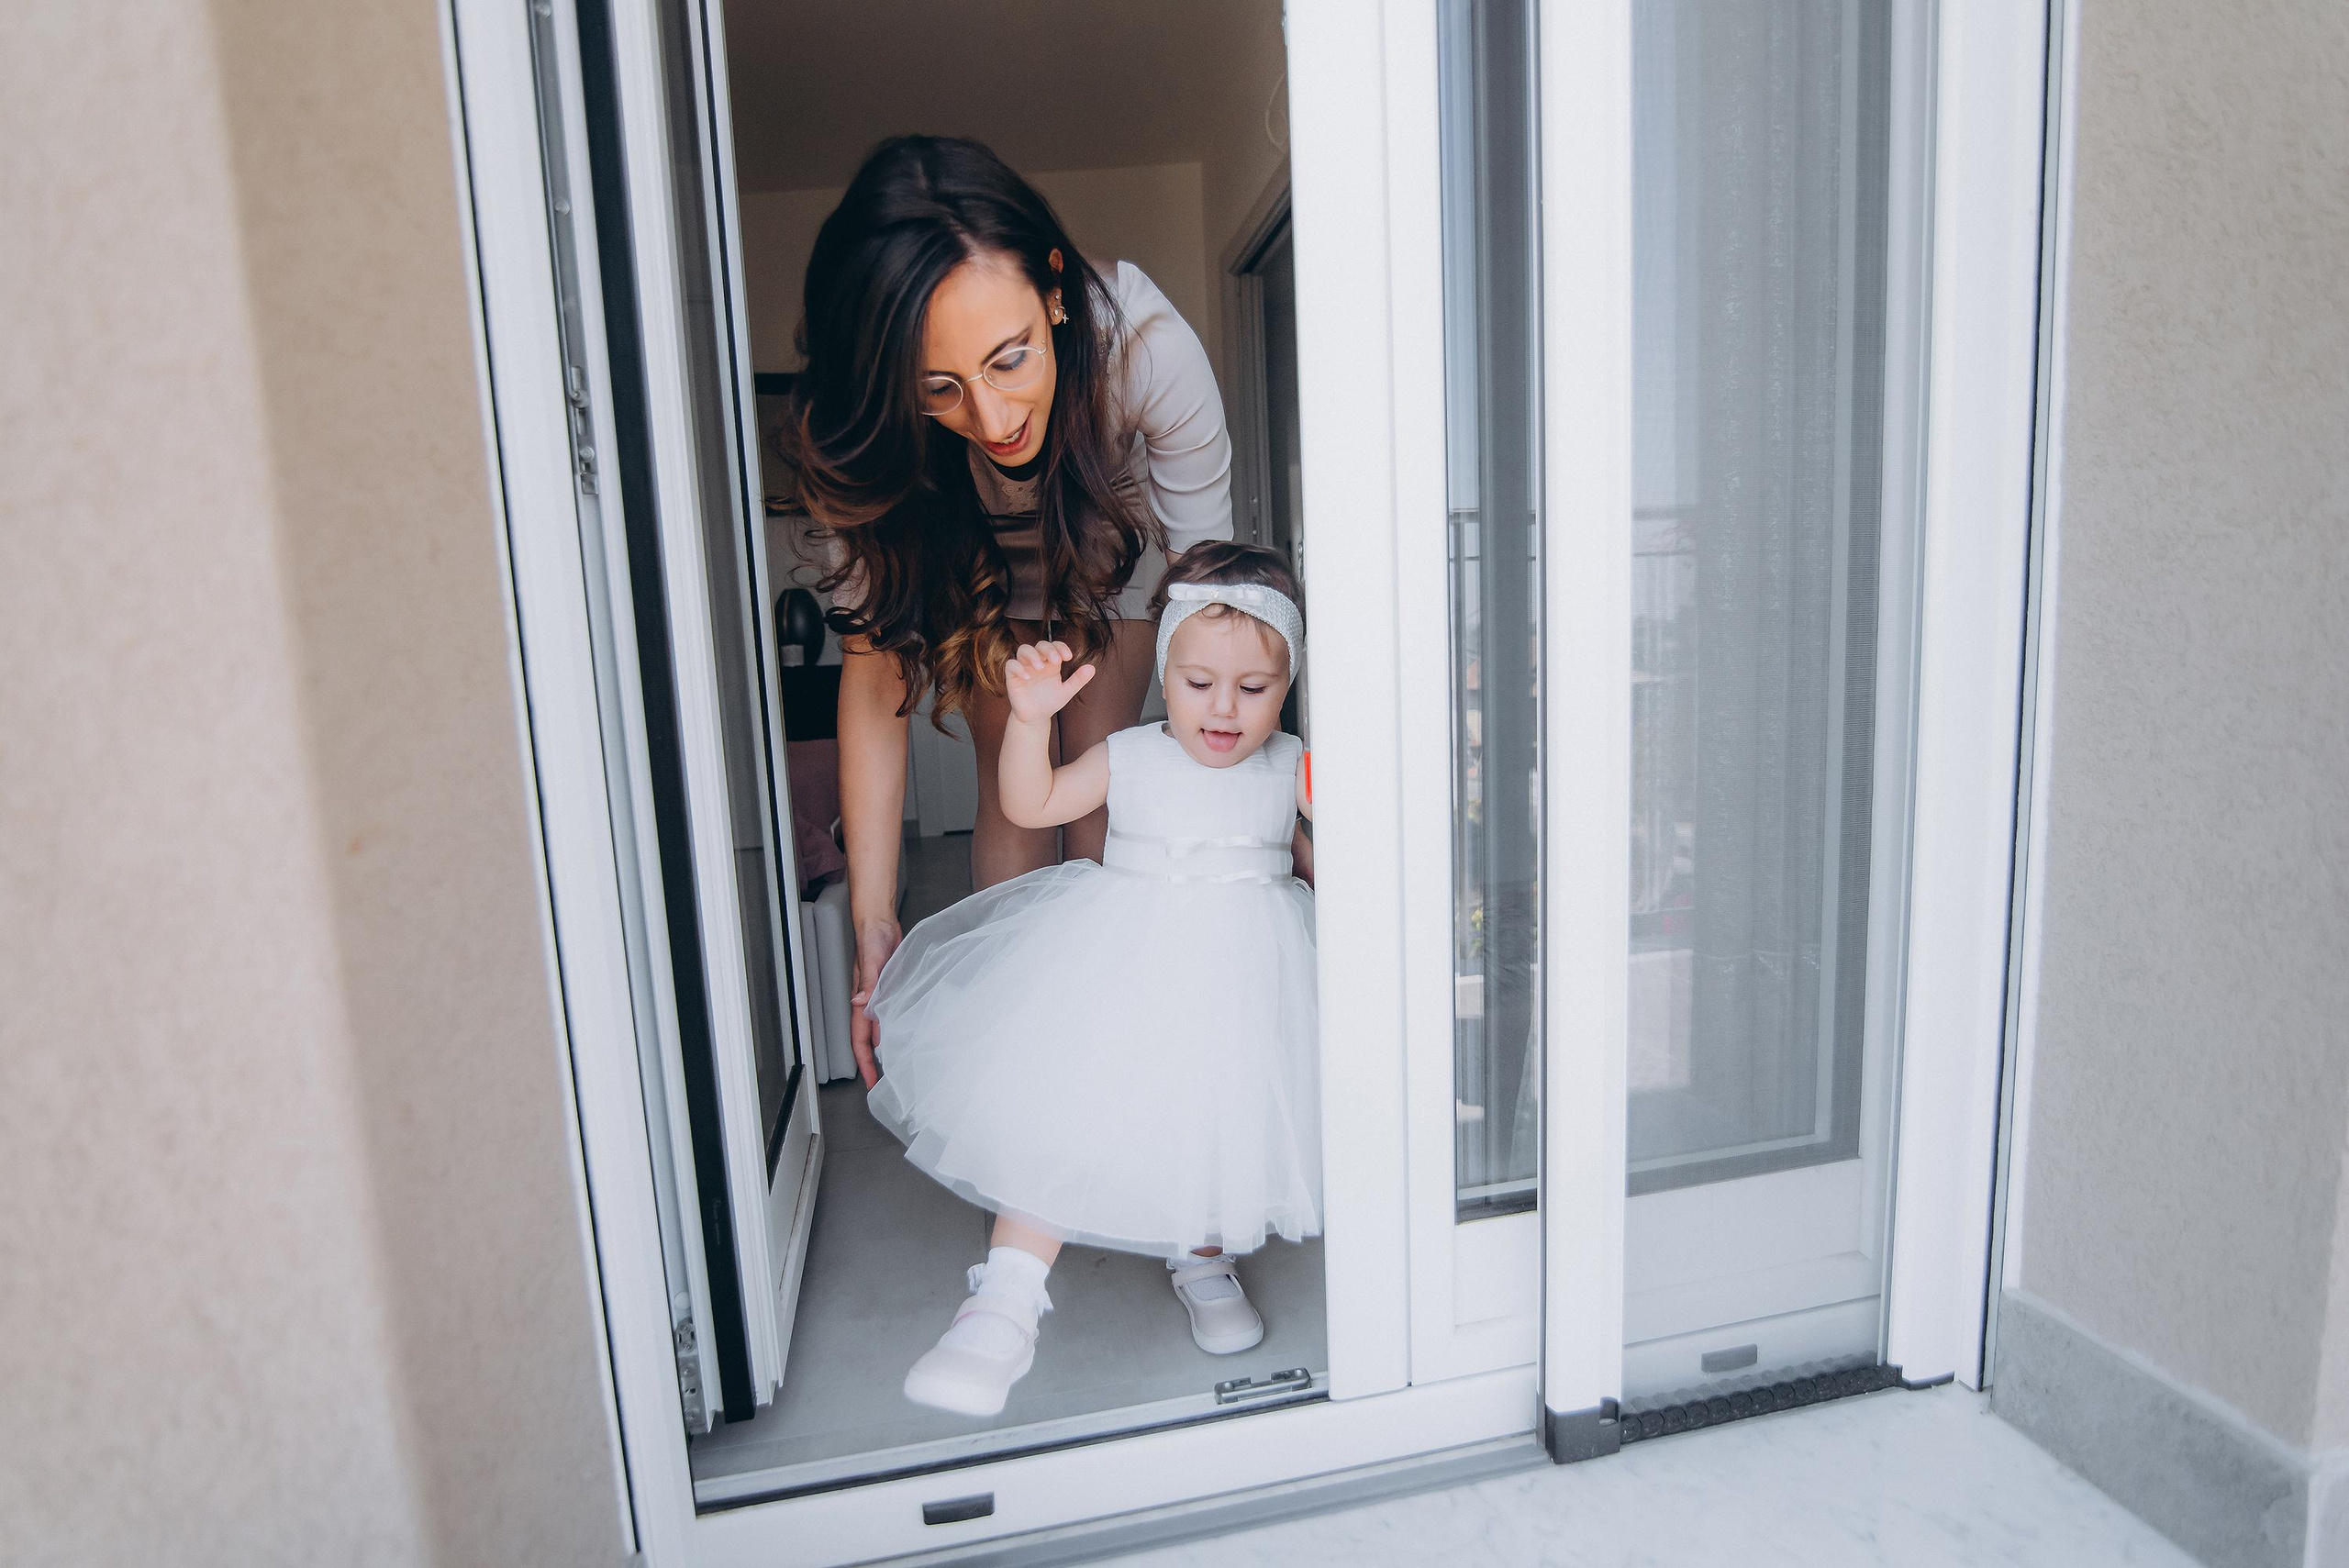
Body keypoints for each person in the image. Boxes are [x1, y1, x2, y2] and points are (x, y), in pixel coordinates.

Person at [778, 136, 1236, 1093]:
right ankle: (1035, 1062)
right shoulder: (862, 429)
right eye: (938, 389)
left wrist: (1258, 818)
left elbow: (1211, 602)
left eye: (1010, 359)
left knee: (1098, 775)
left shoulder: (1143, 348)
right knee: (1010, 786)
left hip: (1115, 569)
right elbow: (874, 675)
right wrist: (873, 922)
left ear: (1055, 289)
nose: (990, 421)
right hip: (975, 582)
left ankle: (1127, 1057)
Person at [864, 544, 1319, 1418]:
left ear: (1287, 683)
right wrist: (1031, 721)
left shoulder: (1287, 767)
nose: (1222, 709)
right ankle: (1003, 1300)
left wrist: (1334, 817)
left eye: (1253, 690)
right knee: (1070, 1112)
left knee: (1219, 1114)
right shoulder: (1132, 754)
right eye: (1197, 683)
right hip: (1122, 969)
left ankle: (1203, 1256)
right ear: (1166, 669)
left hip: (1242, 986)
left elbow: (1328, 881)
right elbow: (1032, 806)